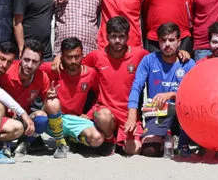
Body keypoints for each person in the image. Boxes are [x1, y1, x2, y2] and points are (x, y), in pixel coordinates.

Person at [126, 22, 195, 157]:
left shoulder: (188, 63)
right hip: (159, 112)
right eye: (163, 40)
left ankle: (182, 141)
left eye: (171, 40)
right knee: (150, 151)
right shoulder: (149, 60)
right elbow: (136, 87)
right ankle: (164, 139)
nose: (167, 44)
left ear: (179, 42)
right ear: (158, 42)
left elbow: (194, 93)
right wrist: (132, 116)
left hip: (183, 114)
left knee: (184, 153)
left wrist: (171, 95)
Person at [83, 16, 149, 155]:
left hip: (129, 115)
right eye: (113, 36)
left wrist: (180, 53)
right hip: (106, 112)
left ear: (127, 36)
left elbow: (159, 61)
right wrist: (59, 58)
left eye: (121, 36)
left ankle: (124, 141)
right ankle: (110, 140)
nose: (117, 41)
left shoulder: (139, 54)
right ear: (106, 36)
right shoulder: (96, 56)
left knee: (134, 150)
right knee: (102, 116)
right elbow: (78, 67)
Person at [0, 39, 68, 159]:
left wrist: (50, 96)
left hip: (25, 118)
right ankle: (5, 144)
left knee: (53, 104)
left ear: (41, 63)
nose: (29, 65)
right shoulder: (6, 71)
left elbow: (48, 105)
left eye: (34, 61)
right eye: (26, 60)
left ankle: (32, 142)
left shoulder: (42, 77)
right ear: (20, 56)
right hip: (3, 118)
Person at [40, 38, 103, 151]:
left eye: (77, 56)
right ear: (62, 56)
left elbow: (99, 96)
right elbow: (31, 70)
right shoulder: (52, 68)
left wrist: (89, 113)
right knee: (51, 104)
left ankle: (74, 139)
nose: (73, 61)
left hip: (75, 120)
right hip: (53, 118)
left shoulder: (91, 73)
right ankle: (56, 142)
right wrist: (44, 91)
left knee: (97, 139)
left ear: (82, 55)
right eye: (69, 57)